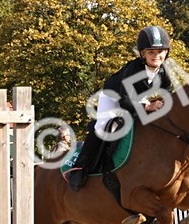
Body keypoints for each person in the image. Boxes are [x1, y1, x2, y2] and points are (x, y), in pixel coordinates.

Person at [67, 26, 175, 191]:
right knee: (102, 128)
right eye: (151, 52)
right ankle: (78, 169)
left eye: (161, 51)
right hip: (114, 97)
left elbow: (167, 93)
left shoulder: (164, 72)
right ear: (142, 54)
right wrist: (149, 106)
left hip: (138, 98)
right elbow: (124, 101)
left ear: (166, 52)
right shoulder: (133, 69)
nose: (156, 55)